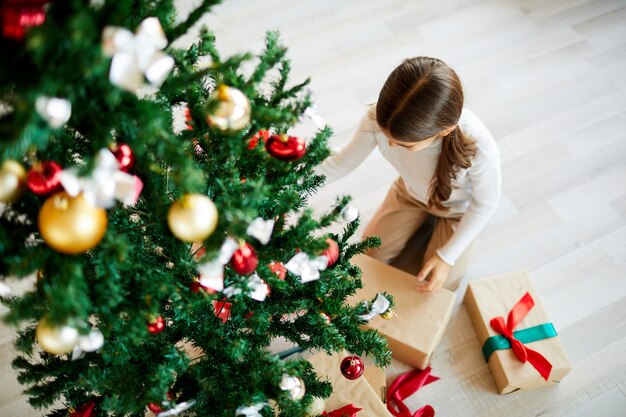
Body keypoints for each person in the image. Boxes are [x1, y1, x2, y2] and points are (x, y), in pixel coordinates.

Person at [318, 57, 501, 292]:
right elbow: (339, 163)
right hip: (410, 194)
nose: (391, 146)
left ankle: (432, 238)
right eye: (387, 137)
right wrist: (292, 180)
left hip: (457, 211)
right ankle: (421, 231)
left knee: (438, 284)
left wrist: (446, 257)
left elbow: (486, 204)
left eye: (405, 145)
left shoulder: (480, 147)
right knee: (368, 256)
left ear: (444, 131)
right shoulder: (377, 118)